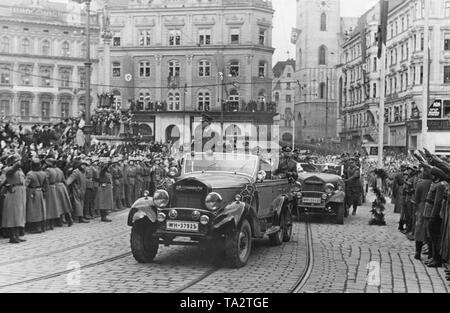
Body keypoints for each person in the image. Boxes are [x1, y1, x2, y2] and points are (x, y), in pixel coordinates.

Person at [423, 167, 447, 267]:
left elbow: (437, 203)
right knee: (431, 237)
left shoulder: (440, 185)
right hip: (430, 211)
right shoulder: (435, 184)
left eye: (432, 174)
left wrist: (433, 216)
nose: (430, 175)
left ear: (436, 176)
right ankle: (433, 257)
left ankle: (437, 259)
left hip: (435, 214)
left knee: (435, 237)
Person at [1, 154, 27, 243]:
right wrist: (7, 185)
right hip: (13, 192)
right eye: (16, 160)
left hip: (21, 192)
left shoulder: (20, 170)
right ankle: (12, 236)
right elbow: (3, 180)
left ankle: (17, 235)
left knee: (19, 213)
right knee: (13, 214)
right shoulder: (7, 169)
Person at [413, 166, 433, 260]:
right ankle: (430, 254)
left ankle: (418, 251)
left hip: (422, 206)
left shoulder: (420, 183)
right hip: (432, 208)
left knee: (419, 230)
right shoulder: (433, 183)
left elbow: (416, 198)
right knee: (429, 230)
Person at [66, 159, 89, 223]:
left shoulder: (83, 171)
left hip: (82, 190)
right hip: (77, 190)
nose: (84, 166)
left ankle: (80, 216)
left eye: (85, 165)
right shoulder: (76, 172)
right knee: (78, 203)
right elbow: (69, 181)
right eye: (83, 165)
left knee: (81, 203)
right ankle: (80, 218)